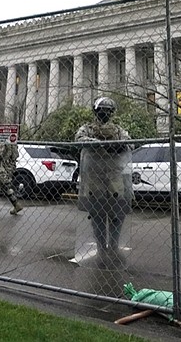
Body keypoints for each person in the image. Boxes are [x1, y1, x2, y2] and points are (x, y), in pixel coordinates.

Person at [75, 97, 133, 257]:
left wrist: (117, 146)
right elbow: (78, 140)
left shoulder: (118, 130)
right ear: (96, 111)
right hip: (95, 177)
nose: (105, 114)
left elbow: (130, 143)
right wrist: (98, 143)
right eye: (102, 111)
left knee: (116, 214)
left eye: (108, 111)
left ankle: (113, 245)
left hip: (114, 176)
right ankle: (101, 247)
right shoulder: (87, 129)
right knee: (97, 214)